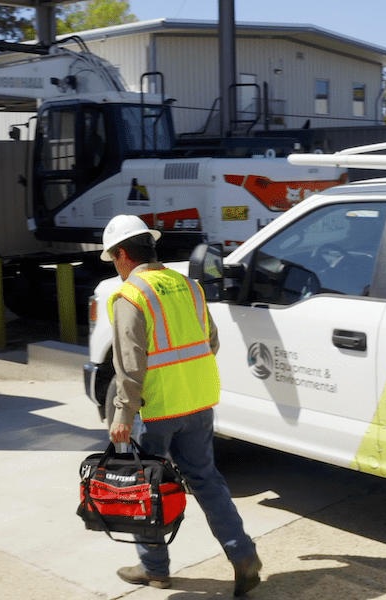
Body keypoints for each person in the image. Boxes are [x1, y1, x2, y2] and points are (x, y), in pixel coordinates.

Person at [101, 214, 262, 596]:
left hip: (156, 411)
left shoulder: (131, 296)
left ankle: (154, 569)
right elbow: (211, 341)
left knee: (146, 489)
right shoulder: (188, 286)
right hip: (198, 403)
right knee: (207, 481)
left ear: (124, 253)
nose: (117, 266)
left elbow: (129, 365)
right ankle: (243, 556)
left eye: (114, 257)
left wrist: (122, 414)